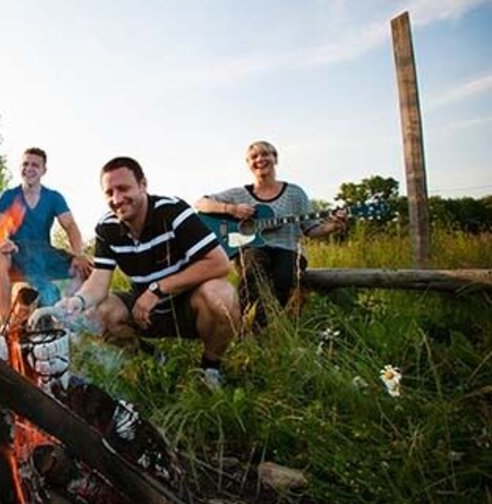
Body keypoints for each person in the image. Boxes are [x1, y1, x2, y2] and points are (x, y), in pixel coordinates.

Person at [52, 156, 239, 388]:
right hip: (144, 312)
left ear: (143, 185)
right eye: (109, 192)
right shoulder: (106, 227)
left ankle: (210, 369)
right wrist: (77, 301)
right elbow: (99, 282)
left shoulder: (173, 211)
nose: (117, 199)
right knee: (98, 311)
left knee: (221, 294)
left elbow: (220, 263)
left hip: (187, 307)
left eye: (123, 188)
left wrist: (158, 289)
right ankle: (154, 359)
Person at [194, 140, 345, 327]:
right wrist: (231, 209)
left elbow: (311, 229)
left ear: (275, 159)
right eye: (254, 157)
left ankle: (258, 329)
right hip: (252, 248)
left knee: (283, 277)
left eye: (265, 154)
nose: (260, 159)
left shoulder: (295, 194)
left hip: (288, 249)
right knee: (254, 265)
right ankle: (234, 321)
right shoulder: (239, 194)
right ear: (248, 164)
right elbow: (200, 203)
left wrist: (333, 226)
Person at [0, 147, 92, 322]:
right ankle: (5, 323)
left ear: (43, 170)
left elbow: (70, 226)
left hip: (45, 253)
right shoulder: (8, 196)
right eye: (25, 164)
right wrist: (2, 241)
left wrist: (78, 254)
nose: (29, 168)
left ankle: (75, 320)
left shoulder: (53, 197)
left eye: (35, 165)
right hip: (16, 251)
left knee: (88, 266)